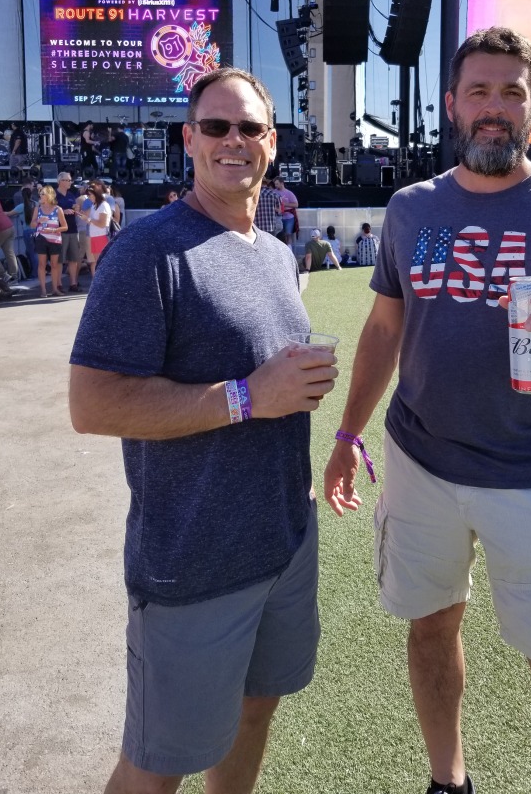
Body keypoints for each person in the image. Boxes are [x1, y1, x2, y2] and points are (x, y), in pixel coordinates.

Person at [323, 27, 531, 794]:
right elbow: (383, 327)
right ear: (452, 105)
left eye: (512, 92)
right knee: (431, 626)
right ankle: (449, 781)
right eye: (480, 91)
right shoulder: (411, 209)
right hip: (420, 464)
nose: (495, 108)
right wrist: (346, 433)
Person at [68, 67, 338, 794]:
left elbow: (275, 391)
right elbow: (92, 403)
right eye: (215, 126)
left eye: (249, 127)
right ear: (188, 139)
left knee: (255, 713)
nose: (233, 141)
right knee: (157, 765)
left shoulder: (278, 255)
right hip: (192, 562)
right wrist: (250, 396)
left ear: (271, 144)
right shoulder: (147, 250)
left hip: (282, 542)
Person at [31, 184, 68, 298]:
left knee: (54, 265)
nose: (40, 196)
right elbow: (32, 225)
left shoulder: (58, 209)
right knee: (41, 264)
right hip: (41, 238)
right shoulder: (38, 209)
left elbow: (65, 227)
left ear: (49, 195)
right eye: (40, 194)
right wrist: (38, 221)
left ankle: (55, 288)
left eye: (43, 194)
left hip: (54, 239)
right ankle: (43, 290)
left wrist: (54, 230)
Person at [78, 179, 112, 275]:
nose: (88, 197)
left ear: (96, 194)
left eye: (90, 195)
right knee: (98, 263)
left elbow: (102, 223)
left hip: (102, 237)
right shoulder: (94, 205)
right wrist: (78, 212)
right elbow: (85, 216)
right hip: (95, 237)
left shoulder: (103, 205)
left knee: (102, 264)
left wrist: (88, 219)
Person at [56, 172, 82, 292]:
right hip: (60, 230)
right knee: (60, 259)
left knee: (73, 258)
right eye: (68, 180)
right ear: (60, 181)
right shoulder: (54, 196)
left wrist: (76, 209)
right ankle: (59, 284)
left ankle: (73, 283)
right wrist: (63, 211)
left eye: (70, 180)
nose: (70, 182)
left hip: (73, 229)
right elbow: (49, 211)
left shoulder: (71, 194)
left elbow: (75, 208)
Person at [274, 176, 298, 246]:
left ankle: (289, 251)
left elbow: (296, 205)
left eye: (277, 184)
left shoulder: (289, 193)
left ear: (282, 183)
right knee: (278, 235)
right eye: (275, 184)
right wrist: (276, 209)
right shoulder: (274, 192)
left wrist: (284, 204)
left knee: (288, 235)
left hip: (288, 218)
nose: (276, 186)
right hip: (278, 217)